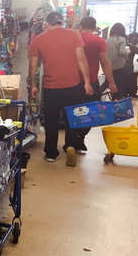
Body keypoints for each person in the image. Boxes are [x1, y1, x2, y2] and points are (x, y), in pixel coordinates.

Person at [29, 11, 93, 166]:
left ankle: (51, 153)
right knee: (71, 117)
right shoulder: (74, 35)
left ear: (47, 23)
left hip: (51, 87)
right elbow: (81, 58)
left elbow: (33, 66)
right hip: (72, 85)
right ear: (61, 22)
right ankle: (70, 145)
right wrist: (87, 82)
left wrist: (33, 84)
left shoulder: (38, 40)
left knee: (51, 120)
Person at [76, 17, 118, 153]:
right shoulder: (98, 41)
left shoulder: (74, 38)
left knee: (72, 111)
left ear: (81, 26)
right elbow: (105, 63)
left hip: (72, 82)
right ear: (94, 27)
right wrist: (111, 82)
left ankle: (72, 141)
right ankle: (80, 138)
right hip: (92, 82)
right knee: (91, 112)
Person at [106, 23, 131, 94]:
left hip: (108, 67)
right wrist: (128, 51)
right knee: (119, 87)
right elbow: (122, 52)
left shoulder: (107, 40)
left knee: (108, 84)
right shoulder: (121, 39)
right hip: (119, 67)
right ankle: (117, 102)